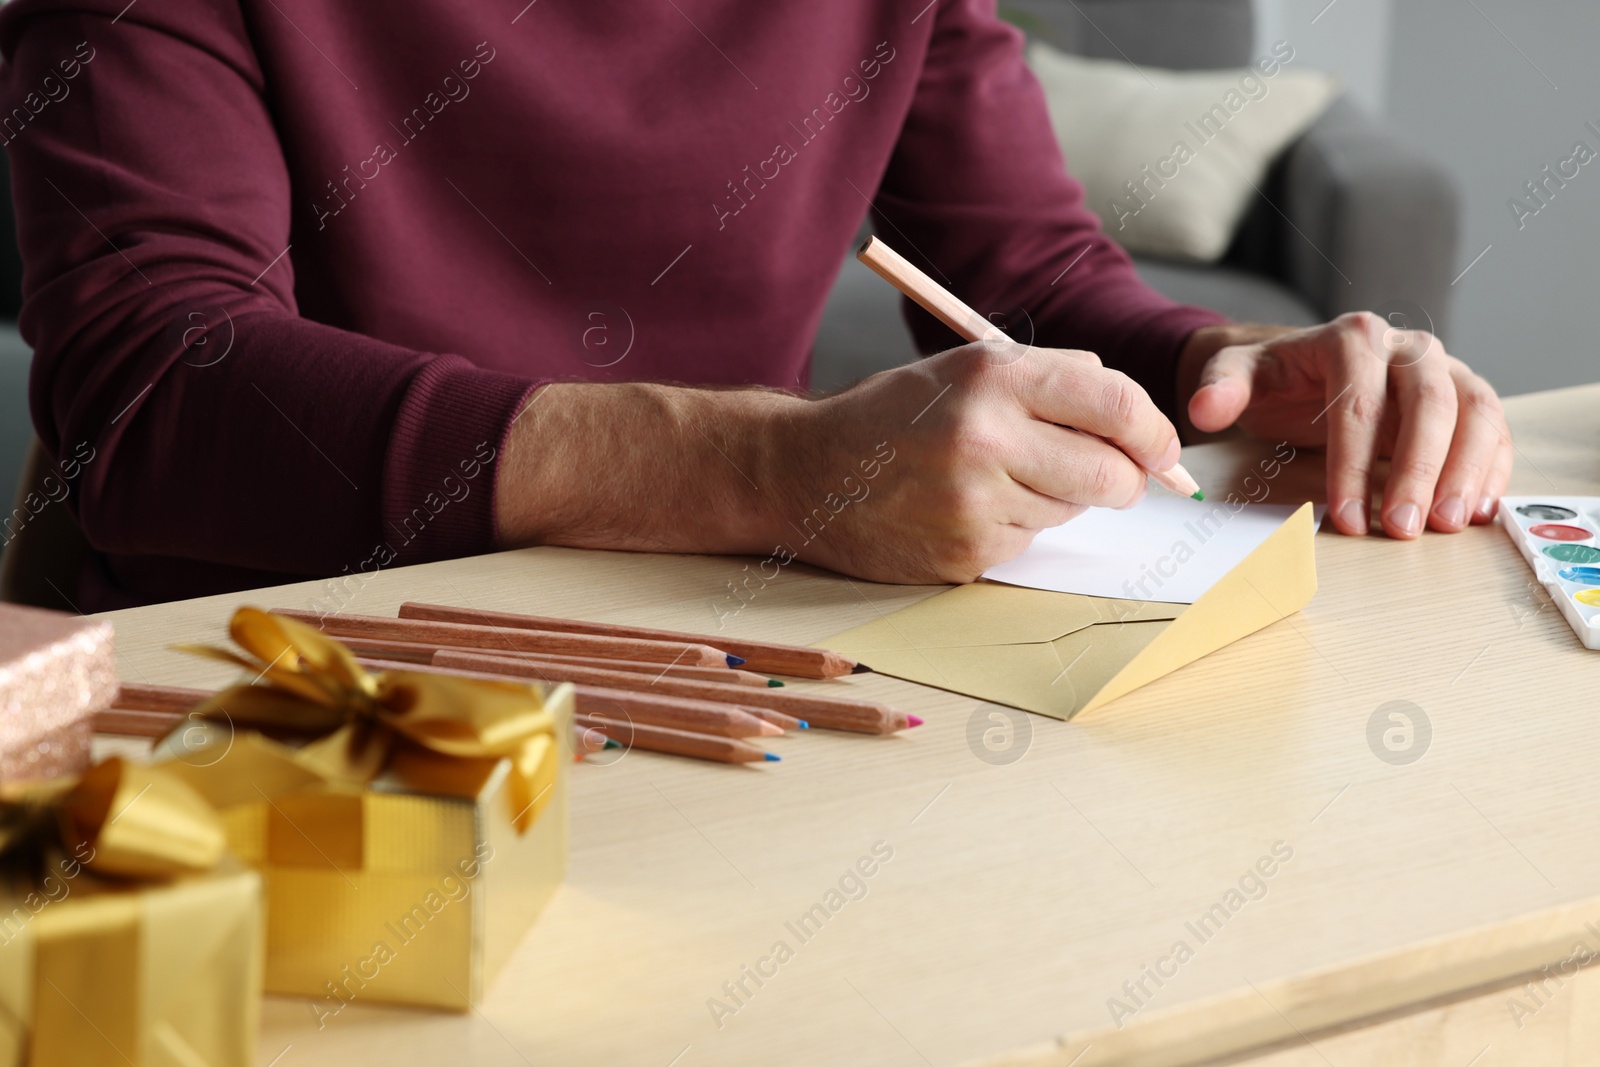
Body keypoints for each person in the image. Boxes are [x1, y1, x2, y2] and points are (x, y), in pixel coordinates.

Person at [0, 1, 1511, 611]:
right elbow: (151, 393)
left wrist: (1226, 364)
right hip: (268, 655)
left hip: (722, 628)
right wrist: (773, 468)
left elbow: (1025, 271)